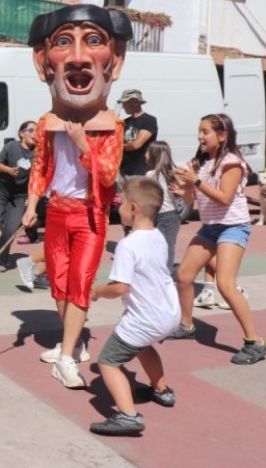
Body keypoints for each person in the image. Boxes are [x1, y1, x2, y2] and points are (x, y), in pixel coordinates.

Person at [21, 4, 132, 389]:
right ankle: (72, 341)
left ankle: (67, 356)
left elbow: (107, 176)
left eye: (94, 41)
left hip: (90, 216)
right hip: (57, 212)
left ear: (114, 61)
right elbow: (39, 167)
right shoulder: (46, 125)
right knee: (59, 282)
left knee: (81, 283)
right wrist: (32, 205)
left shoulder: (112, 127)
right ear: (44, 62)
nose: (78, 57)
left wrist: (84, 144)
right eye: (64, 42)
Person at [168, 113, 266, 365]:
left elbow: (224, 197)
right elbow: (192, 203)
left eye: (205, 131)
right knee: (184, 276)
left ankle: (255, 341)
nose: (200, 136)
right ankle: (187, 326)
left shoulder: (232, 163)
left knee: (225, 284)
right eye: (199, 131)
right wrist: (185, 190)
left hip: (233, 227)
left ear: (222, 136)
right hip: (210, 227)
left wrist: (195, 181)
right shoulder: (200, 162)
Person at [89, 177, 180, 436]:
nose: (118, 207)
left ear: (133, 209)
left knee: (107, 361)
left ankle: (127, 415)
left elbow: (120, 287)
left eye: (120, 203)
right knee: (142, 346)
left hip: (145, 318)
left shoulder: (128, 246)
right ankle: (162, 390)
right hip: (169, 313)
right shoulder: (158, 236)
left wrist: (96, 291)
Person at [0, 120, 37, 270]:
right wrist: (8, 170)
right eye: (31, 130)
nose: (34, 134)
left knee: (11, 229)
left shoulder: (38, 153)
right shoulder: (12, 146)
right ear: (22, 133)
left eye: (37, 131)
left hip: (20, 196)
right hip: (3, 191)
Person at [144, 141, 181, 277]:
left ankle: (165, 274)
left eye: (147, 151)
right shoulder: (171, 174)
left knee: (164, 246)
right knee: (166, 245)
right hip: (171, 215)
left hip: (165, 216)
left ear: (154, 155)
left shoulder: (150, 175)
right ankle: (164, 272)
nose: (145, 154)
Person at [117, 89, 158, 179]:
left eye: (125, 102)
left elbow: (135, 145)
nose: (123, 106)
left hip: (140, 172)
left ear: (135, 102)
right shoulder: (124, 122)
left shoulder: (149, 120)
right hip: (122, 171)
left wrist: (118, 145)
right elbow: (119, 140)